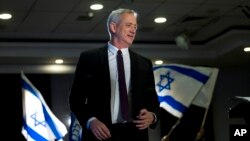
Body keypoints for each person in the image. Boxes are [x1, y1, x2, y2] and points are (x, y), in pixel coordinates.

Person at [69, 8, 160, 141]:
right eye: (129, 25)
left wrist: (152, 116)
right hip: (100, 135)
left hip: (135, 135)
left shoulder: (144, 63)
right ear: (113, 27)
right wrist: (91, 121)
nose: (133, 30)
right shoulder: (89, 58)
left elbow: (152, 100)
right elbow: (76, 99)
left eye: (135, 26)